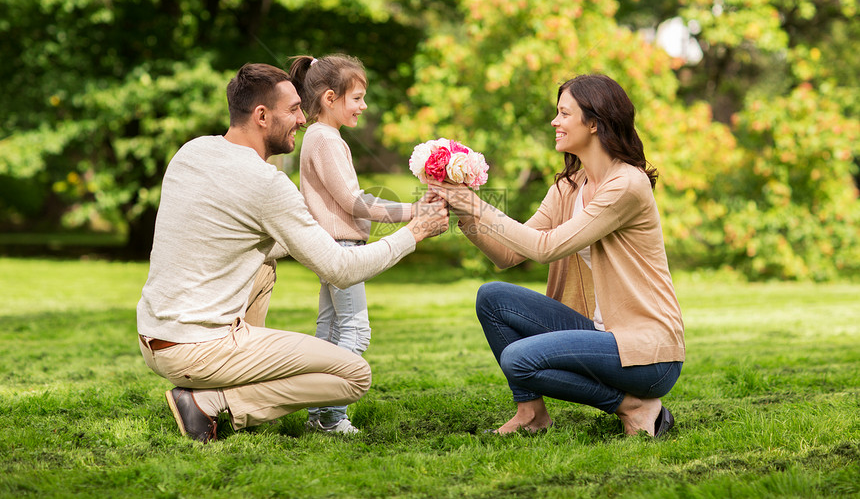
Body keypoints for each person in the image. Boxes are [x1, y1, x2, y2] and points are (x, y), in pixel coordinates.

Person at [136, 62, 448, 443]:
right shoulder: (267, 183)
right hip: (199, 349)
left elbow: (249, 237)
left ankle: (215, 385)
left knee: (264, 266)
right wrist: (415, 232)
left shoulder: (192, 151)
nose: (303, 118)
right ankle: (213, 402)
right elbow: (340, 269)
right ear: (262, 116)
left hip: (153, 337)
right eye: (294, 109)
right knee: (353, 375)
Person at [430, 74, 685, 437]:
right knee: (493, 298)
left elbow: (545, 248)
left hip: (647, 352)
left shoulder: (627, 185)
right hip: (599, 334)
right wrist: (465, 211)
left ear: (594, 123)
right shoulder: (569, 187)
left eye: (565, 114)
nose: (555, 122)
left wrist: (476, 203)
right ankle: (532, 415)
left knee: (518, 359)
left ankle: (634, 406)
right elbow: (507, 254)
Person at [289, 54, 416, 434]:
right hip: (341, 248)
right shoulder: (325, 139)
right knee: (356, 331)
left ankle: (317, 414)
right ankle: (331, 415)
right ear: (330, 98)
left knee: (328, 333)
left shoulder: (322, 136)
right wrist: (413, 211)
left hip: (333, 245)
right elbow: (354, 202)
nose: (363, 106)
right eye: (357, 98)